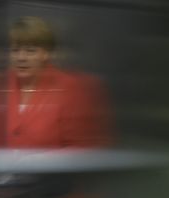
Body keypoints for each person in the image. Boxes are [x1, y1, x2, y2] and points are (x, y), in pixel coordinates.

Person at [6, 16, 112, 148]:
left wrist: (40, 162)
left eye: (30, 51)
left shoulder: (70, 88)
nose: (21, 58)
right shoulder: (1, 85)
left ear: (46, 54)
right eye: (15, 50)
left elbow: (83, 148)